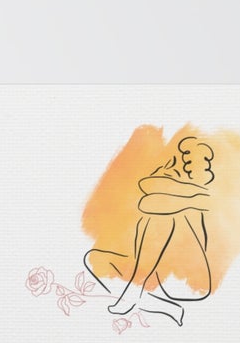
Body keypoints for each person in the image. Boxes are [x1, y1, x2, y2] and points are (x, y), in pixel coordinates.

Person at [83, 136, 214, 325]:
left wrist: (167, 190)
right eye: (185, 159)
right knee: (95, 259)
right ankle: (155, 302)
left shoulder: (202, 197)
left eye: (191, 160)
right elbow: (147, 189)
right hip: (155, 275)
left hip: (184, 279)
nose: (185, 164)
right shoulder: (180, 190)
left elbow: (149, 201)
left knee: (163, 219)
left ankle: (135, 293)